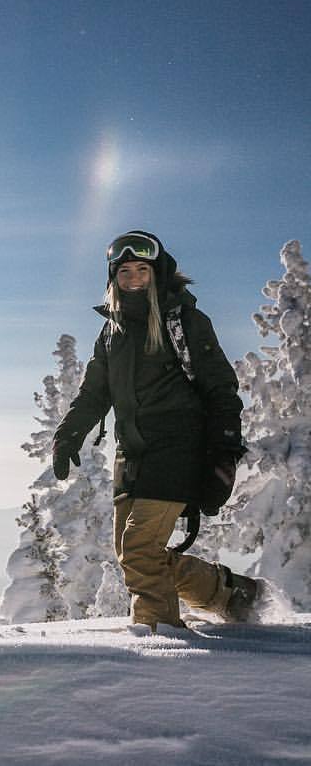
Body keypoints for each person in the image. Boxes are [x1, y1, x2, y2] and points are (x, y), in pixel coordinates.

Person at [52, 230, 260, 631]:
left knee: (140, 552)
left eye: (142, 270)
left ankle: (159, 642)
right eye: (125, 271)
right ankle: (230, 594)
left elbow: (221, 390)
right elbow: (94, 392)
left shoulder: (185, 322)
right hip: (131, 455)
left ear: (157, 272)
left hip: (177, 451)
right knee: (135, 554)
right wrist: (67, 435)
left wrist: (224, 453)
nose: (132, 278)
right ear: (114, 277)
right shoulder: (112, 330)